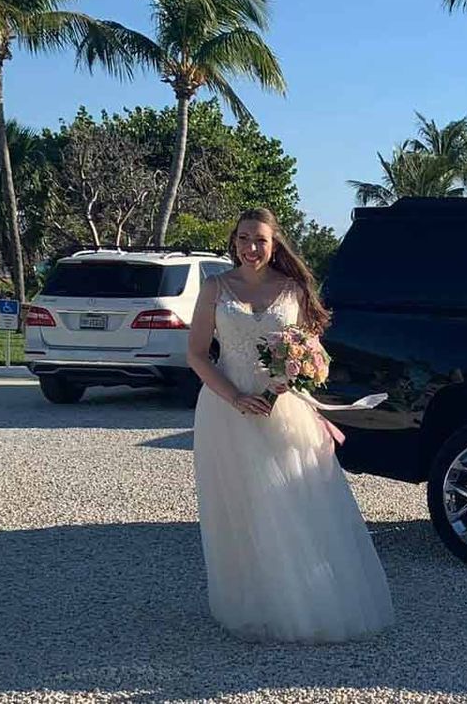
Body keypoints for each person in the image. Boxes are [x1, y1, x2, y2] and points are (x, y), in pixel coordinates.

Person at [185, 208, 394, 643]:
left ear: (274, 243)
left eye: (259, 239)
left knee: (292, 503)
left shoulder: (293, 290)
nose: (250, 247)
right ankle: (252, 601)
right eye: (243, 238)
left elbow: (309, 355)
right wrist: (236, 397)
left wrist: (281, 387)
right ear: (234, 241)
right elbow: (198, 354)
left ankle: (303, 600)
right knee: (240, 507)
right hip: (226, 409)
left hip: (282, 409)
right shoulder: (215, 288)